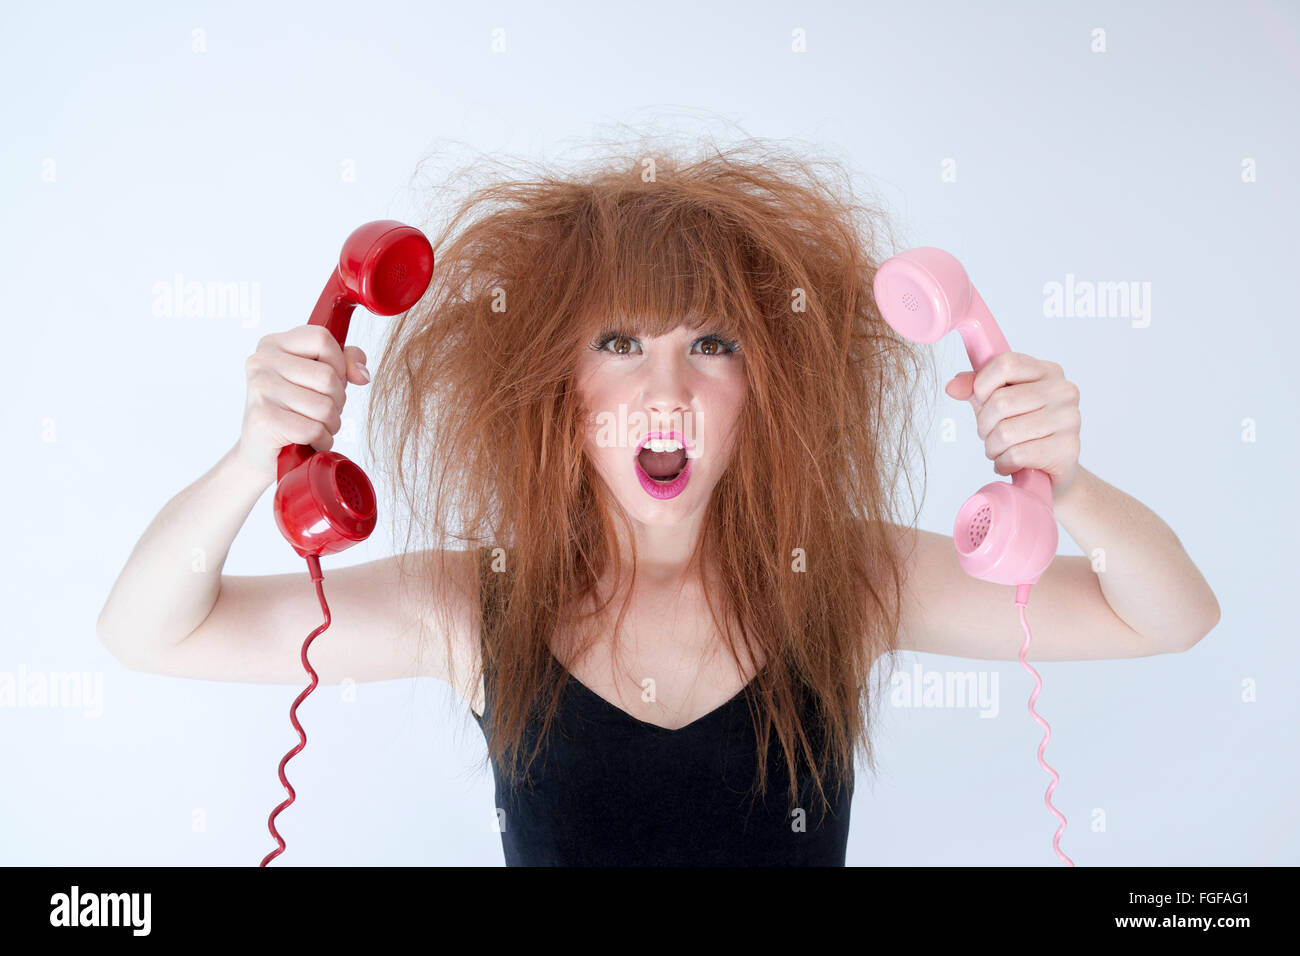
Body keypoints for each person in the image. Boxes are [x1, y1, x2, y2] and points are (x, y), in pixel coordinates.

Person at [96, 135, 1221, 866]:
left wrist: (1064, 483)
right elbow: (149, 630)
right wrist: (256, 458)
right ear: (559, 382)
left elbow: (1169, 615)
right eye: (621, 343)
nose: (666, 390)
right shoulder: (473, 603)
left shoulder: (849, 578)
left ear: (763, 387)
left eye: (713, 343)